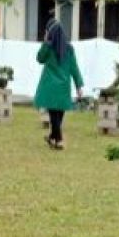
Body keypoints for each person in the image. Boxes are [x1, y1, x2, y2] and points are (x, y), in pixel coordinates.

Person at [34, 18, 83, 149]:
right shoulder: (69, 49)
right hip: (63, 86)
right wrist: (79, 86)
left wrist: (44, 42)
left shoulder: (48, 48)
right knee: (58, 115)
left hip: (50, 86)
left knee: (53, 115)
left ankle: (58, 139)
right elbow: (74, 68)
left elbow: (39, 58)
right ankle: (53, 138)